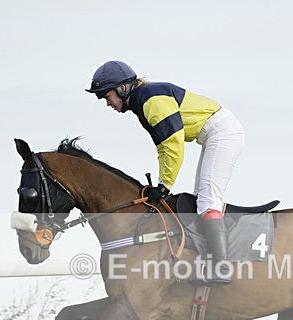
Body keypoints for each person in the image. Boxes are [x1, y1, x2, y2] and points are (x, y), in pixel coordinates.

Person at [86, 60, 244, 285]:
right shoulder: (142, 103)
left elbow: (173, 144)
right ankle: (208, 260)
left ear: (122, 88)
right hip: (215, 133)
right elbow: (163, 147)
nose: (107, 103)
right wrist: (163, 183)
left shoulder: (150, 100)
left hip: (222, 132)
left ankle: (222, 268)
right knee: (202, 200)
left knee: (208, 201)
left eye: (107, 96)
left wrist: (165, 185)